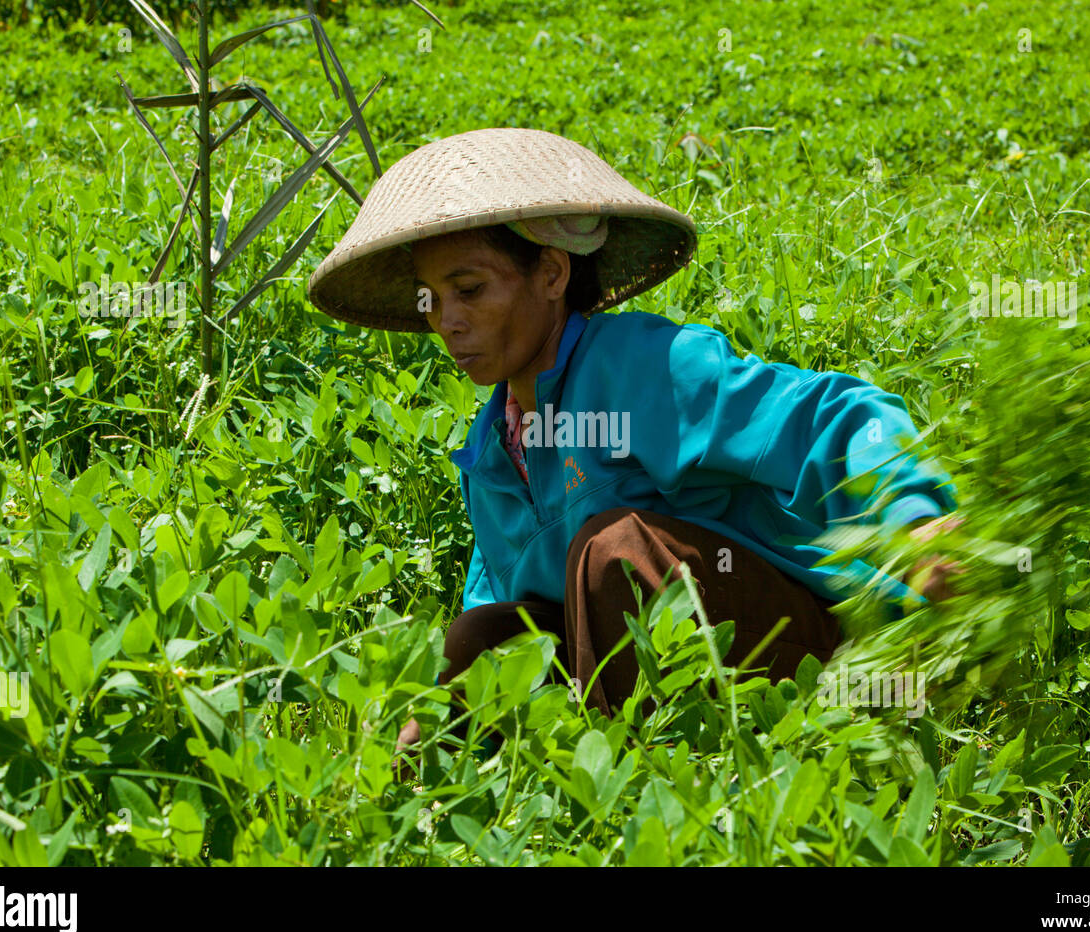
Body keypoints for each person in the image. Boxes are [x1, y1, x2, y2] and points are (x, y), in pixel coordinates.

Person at [307, 127, 962, 760]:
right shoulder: (490, 459)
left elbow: (841, 416)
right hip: (636, 682)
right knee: (480, 633)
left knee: (616, 550)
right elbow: (502, 623)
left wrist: (914, 519)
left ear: (553, 274)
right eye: (434, 299)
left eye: (471, 290)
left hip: (802, 653)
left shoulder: (644, 369)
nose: (448, 323)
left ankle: (645, 781)